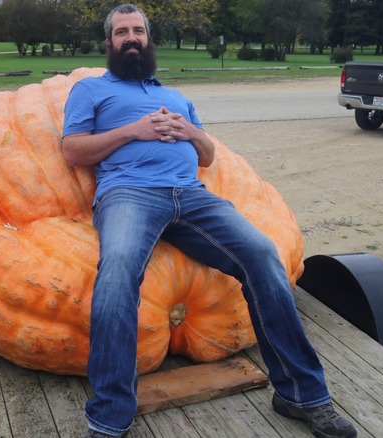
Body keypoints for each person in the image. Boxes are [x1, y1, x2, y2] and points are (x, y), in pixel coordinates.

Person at [61, 4, 357, 438]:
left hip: (193, 196)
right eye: (121, 32)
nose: (131, 38)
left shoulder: (178, 99)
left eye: (138, 31)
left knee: (263, 256)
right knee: (118, 272)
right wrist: (134, 130)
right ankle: (110, 417)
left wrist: (191, 132)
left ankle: (301, 394)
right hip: (129, 194)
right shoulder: (90, 90)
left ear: (148, 39)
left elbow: (207, 156)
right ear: (109, 43)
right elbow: (73, 151)